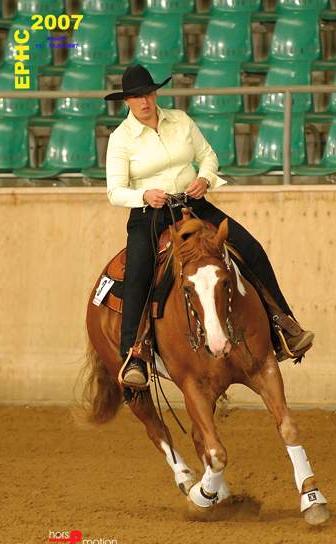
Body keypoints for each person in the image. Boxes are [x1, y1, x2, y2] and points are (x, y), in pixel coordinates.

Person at [105, 64, 314, 388]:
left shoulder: (181, 121)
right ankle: (135, 354)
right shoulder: (121, 138)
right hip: (150, 213)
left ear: (155, 93)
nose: (144, 101)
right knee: (139, 272)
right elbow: (114, 190)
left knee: (250, 248)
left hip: (194, 205)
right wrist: (144, 194)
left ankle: (284, 325)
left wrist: (204, 178)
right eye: (135, 97)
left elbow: (208, 156)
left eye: (147, 93)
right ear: (127, 102)